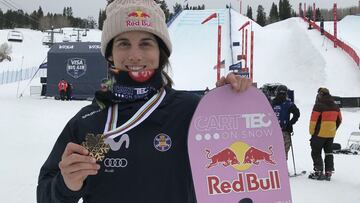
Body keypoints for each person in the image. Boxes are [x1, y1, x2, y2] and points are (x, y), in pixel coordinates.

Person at [36, 1, 252, 202]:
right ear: (110, 54)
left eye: (146, 44)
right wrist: (66, 185)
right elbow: (45, 194)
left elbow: (239, 177)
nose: (135, 55)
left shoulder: (192, 112)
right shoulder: (89, 121)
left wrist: (230, 108)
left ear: (161, 53)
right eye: (123, 44)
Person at [308, 87, 342, 181]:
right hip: (331, 134)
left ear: (320, 94)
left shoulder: (318, 105)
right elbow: (339, 120)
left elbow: (313, 121)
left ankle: (318, 171)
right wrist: (333, 129)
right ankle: (328, 172)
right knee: (328, 152)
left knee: (316, 151)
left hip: (319, 133)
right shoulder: (335, 106)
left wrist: (312, 132)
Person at [271, 85, 300, 160]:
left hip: (283, 130)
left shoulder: (288, 104)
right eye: (280, 93)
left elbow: (297, 113)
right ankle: (277, 168)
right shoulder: (272, 103)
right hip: (272, 131)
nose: (281, 95)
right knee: (275, 150)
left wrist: (290, 123)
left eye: (283, 94)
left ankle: (282, 168)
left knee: (283, 150)